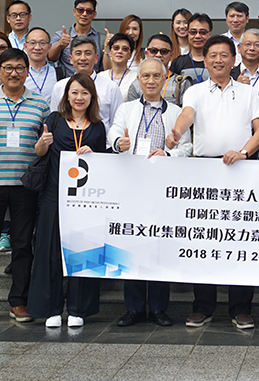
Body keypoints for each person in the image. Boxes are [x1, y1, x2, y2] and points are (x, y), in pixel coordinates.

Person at [165, 35, 259, 330]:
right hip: (204, 170)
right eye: (213, 55)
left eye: (224, 55)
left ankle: (241, 308)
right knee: (203, 240)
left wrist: (244, 152)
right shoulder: (195, 91)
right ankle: (202, 307)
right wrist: (176, 132)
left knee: (241, 239)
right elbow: (187, 115)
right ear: (205, 60)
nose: (218, 60)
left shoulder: (248, 92)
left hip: (240, 168)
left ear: (234, 60)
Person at [108, 57, 193, 328]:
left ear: (165, 78)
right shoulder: (126, 108)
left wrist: (168, 154)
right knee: (131, 244)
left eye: (157, 75)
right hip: (131, 186)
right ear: (138, 79)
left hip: (162, 187)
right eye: (146, 76)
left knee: (158, 245)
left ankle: (158, 308)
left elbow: (187, 146)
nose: (151, 81)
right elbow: (113, 132)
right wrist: (118, 143)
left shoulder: (175, 111)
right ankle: (133, 308)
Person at [0, 48, 49, 325]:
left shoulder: (40, 104)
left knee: (23, 244)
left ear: (27, 71)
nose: (14, 73)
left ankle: (19, 301)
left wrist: (41, 146)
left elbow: (43, 142)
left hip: (24, 184)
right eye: (8, 68)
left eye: (19, 68)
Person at [29, 73, 106, 328]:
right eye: (74, 92)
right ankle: (51, 308)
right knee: (49, 251)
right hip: (54, 195)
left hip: (85, 199)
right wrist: (42, 143)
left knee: (82, 251)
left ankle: (78, 308)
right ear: (67, 96)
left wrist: (94, 154)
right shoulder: (54, 120)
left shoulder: (98, 126)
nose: (79, 97)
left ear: (92, 97)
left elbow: (104, 163)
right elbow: (39, 152)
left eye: (84, 93)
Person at [49, 36, 123, 131]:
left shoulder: (111, 87)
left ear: (96, 58)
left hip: (101, 140)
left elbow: (117, 124)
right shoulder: (60, 87)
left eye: (88, 53)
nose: (83, 58)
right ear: (71, 59)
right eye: (78, 53)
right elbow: (55, 121)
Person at [127, 34, 191, 105]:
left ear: (171, 56)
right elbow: (132, 109)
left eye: (164, 51)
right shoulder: (136, 84)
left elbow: (186, 110)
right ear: (146, 54)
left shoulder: (182, 83)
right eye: (153, 50)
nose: (158, 55)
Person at [48, 0, 102, 77]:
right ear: (74, 12)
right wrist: (60, 44)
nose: (84, 14)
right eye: (80, 10)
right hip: (68, 82)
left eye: (89, 11)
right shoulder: (61, 35)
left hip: (93, 83)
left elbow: (106, 68)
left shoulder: (101, 39)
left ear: (94, 14)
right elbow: (50, 58)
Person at [170, 13, 211, 85]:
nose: (197, 36)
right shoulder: (178, 62)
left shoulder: (216, 61)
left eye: (202, 32)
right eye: (193, 32)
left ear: (209, 34)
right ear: (188, 34)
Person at [23, 27, 61, 103]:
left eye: (42, 43)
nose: (37, 47)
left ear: (49, 47)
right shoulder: (19, 73)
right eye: (32, 43)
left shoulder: (58, 73)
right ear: (25, 47)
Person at [99, 33, 139, 97]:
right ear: (110, 52)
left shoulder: (136, 78)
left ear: (130, 55)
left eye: (125, 49)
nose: (120, 51)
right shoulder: (100, 77)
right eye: (116, 48)